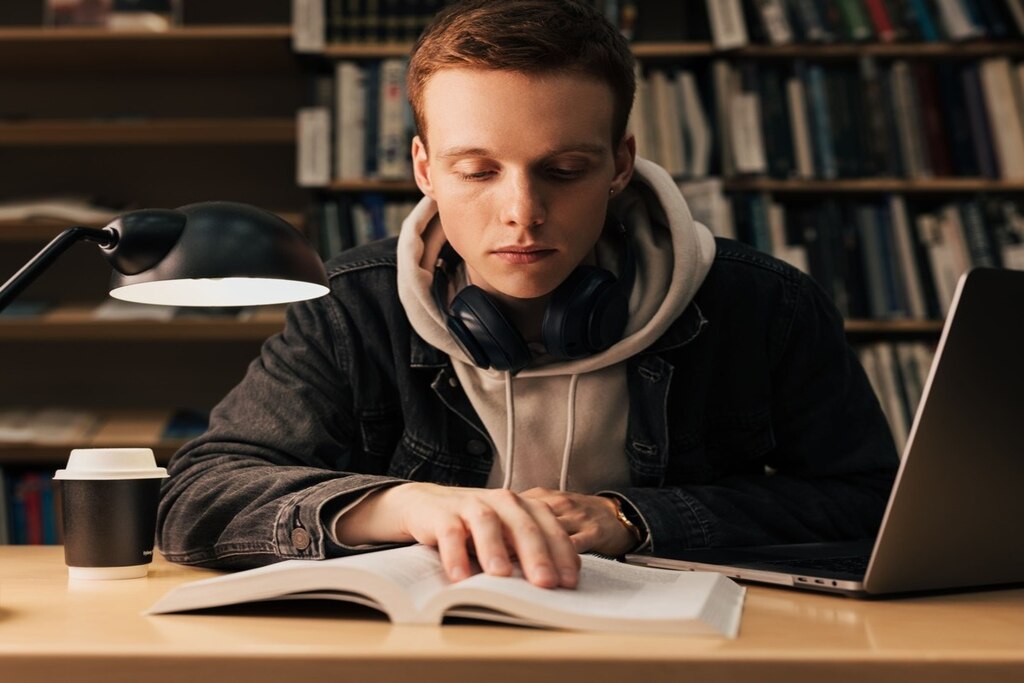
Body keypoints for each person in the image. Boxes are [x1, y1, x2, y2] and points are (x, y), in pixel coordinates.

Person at [156, 0, 898, 590]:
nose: (522, 212)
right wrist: (405, 506)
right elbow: (197, 497)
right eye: (477, 171)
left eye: (565, 169)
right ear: (423, 167)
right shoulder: (354, 306)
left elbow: (872, 503)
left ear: (620, 162)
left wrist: (632, 518)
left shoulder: (765, 306)